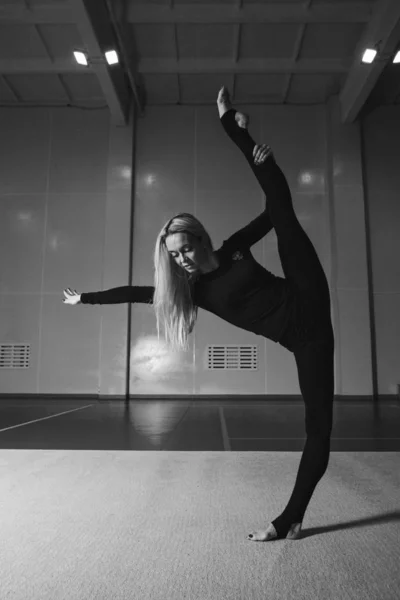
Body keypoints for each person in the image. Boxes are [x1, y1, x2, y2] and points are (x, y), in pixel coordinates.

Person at [63, 86, 335, 542]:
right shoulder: (195, 293)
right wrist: (85, 299)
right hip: (307, 340)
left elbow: (275, 209)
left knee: (284, 210)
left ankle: (234, 126)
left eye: (186, 249)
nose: (183, 260)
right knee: (319, 429)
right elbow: (136, 292)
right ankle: (293, 517)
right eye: (175, 257)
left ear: (201, 240)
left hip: (307, 291)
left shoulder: (233, 250)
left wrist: (254, 151)